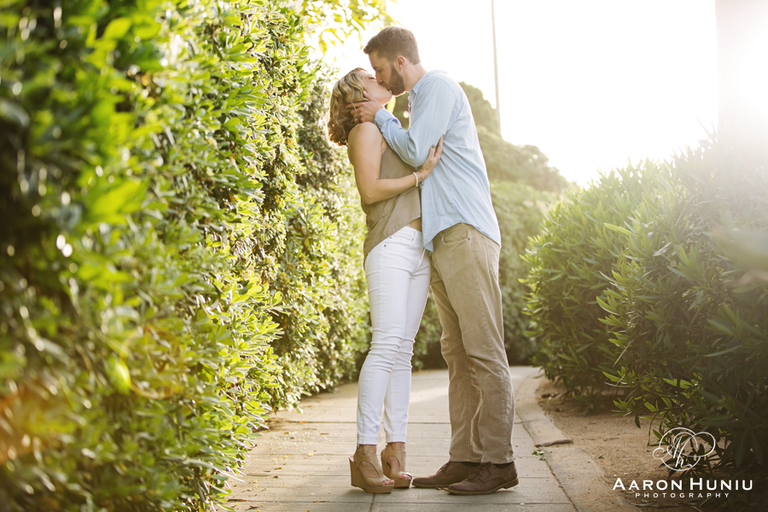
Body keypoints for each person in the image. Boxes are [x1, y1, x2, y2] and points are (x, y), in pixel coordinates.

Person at [349, 26, 518, 496]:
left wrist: (379, 116)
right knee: (457, 352)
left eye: (381, 69)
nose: (381, 78)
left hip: (465, 229)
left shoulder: (437, 86)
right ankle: (466, 457)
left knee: (484, 348)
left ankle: (499, 461)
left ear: (399, 62)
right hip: (440, 238)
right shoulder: (415, 104)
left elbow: (417, 151)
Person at [327, 68, 444, 494]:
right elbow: (370, 191)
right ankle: (364, 453)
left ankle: (396, 452)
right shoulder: (365, 131)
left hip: (418, 247)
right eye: (371, 77)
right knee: (386, 344)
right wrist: (419, 176)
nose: (381, 79)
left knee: (402, 350)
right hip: (390, 245)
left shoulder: (387, 127)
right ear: (359, 92)